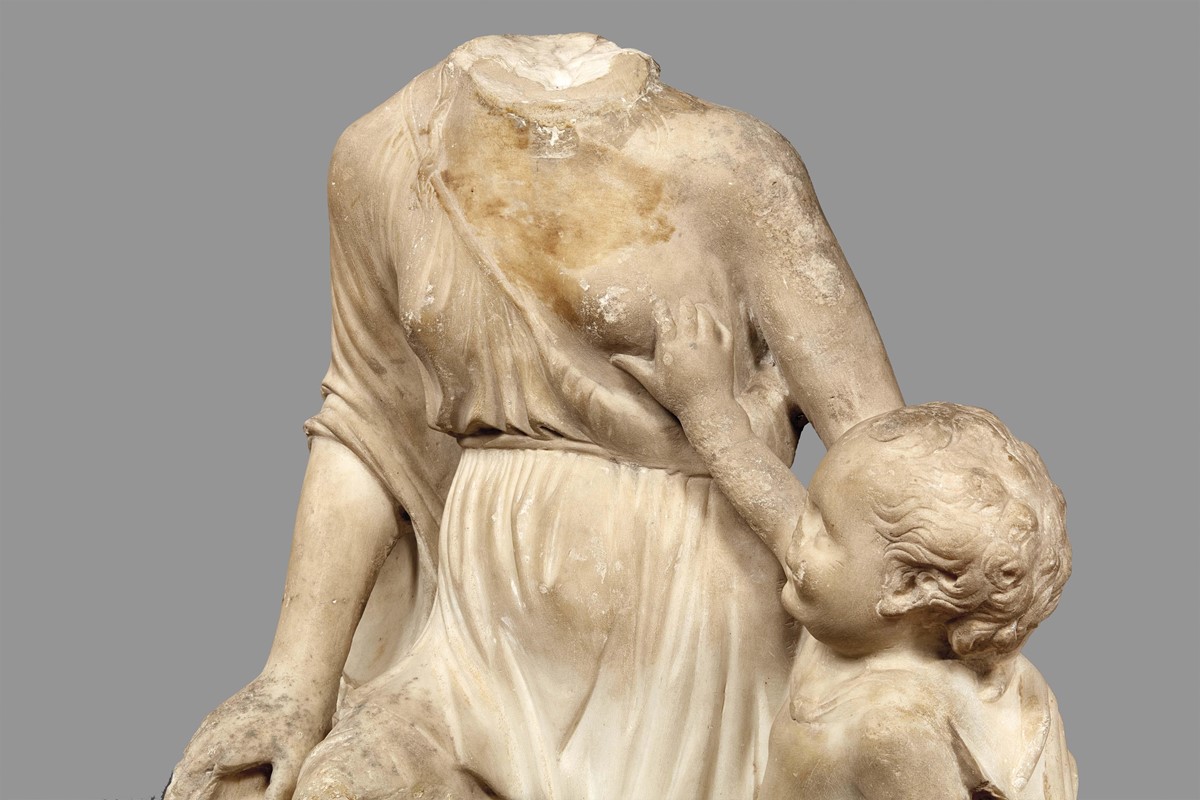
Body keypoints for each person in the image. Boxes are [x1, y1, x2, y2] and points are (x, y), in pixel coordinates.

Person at [166, 34, 904, 800]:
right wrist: (292, 682)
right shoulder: (387, 149)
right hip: (481, 634)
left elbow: (885, 457)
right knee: (333, 789)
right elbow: (366, 426)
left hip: (690, 628)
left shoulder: (732, 164)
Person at [615, 303, 1077, 799]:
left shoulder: (895, 728)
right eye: (812, 512)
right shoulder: (855, 618)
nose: (798, 533)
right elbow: (770, 500)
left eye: (825, 531)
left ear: (908, 589)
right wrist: (705, 405)